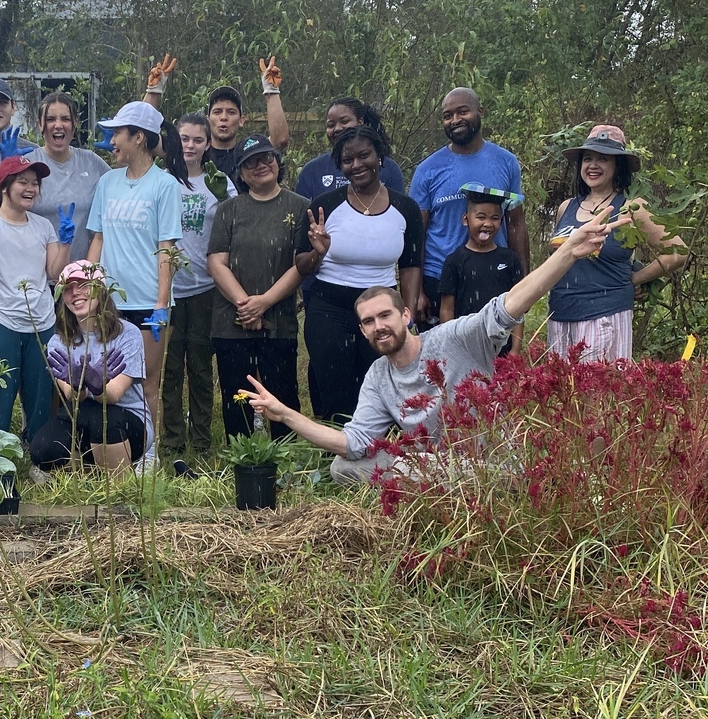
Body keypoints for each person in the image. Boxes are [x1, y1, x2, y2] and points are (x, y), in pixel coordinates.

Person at [240, 212, 626, 484]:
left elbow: (511, 304)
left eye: (385, 316)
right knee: (344, 468)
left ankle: (438, 492)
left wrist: (567, 252)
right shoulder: (380, 376)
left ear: (406, 315)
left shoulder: (454, 337)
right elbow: (354, 442)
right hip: (429, 466)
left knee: (423, 472)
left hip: (488, 464)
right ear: (362, 332)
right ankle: (427, 489)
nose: (380, 326)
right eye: (370, 322)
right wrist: (284, 413)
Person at [296, 125, 423, 425]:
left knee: (382, 387)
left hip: (381, 311)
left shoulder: (405, 208)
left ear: (380, 157)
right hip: (329, 311)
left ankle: (378, 462)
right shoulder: (324, 206)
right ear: (340, 165)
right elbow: (301, 265)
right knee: (334, 392)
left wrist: (409, 313)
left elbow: (411, 264)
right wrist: (319, 251)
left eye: (364, 156)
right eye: (347, 160)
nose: (357, 165)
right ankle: (334, 461)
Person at [547, 125, 687, 361]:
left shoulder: (631, 208)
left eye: (603, 159)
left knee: (598, 394)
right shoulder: (566, 207)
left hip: (605, 314)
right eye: (588, 158)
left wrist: (635, 279)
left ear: (617, 166)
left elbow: (677, 252)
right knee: (561, 394)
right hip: (560, 313)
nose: (593, 165)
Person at [205, 135, 308, 440]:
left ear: (278, 162)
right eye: (250, 162)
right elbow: (216, 263)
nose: (260, 165)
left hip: (279, 321)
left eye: (266, 158)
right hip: (231, 322)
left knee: (283, 395)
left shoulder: (300, 206)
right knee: (236, 398)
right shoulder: (229, 209)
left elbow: (299, 265)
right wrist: (246, 305)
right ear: (240, 171)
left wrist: (263, 303)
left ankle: (287, 460)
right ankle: (242, 460)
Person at [86, 101, 183, 421]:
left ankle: (148, 455)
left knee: (147, 381)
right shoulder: (107, 183)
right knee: (106, 377)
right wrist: (88, 288)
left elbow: (166, 246)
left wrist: (161, 303)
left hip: (147, 302)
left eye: (117, 134)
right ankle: (112, 451)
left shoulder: (164, 185)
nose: (111, 141)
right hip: (109, 300)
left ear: (138, 137)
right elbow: (98, 239)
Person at [0, 155, 73, 437]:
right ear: (4, 186)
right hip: (1, 319)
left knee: (40, 397)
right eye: (22, 182)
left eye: (35, 183)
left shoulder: (42, 225)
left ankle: (38, 456)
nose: (30, 188)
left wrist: (65, 243)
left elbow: (53, 272)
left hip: (42, 322)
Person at [409, 88, 529, 329]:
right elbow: (416, 234)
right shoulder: (428, 170)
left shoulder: (505, 162)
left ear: (479, 112)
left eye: (463, 111)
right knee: (442, 359)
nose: (455, 120)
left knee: (494, 357)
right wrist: (417, 291)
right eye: (447, 115)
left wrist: (525, 283)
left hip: (494, 275)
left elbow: (515, 223)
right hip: (440, 279)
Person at [30, 260, 157, 475]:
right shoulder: (58, 342)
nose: (75, 293)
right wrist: (79, 386)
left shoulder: (128, 333)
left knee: (101, 419)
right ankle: (93, 471)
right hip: (81, 415)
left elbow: (114, 395)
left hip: (126, 420)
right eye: (68, 289)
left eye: (83, 285)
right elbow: (72, 395)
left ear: (100, 290)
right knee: (42, 448)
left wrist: (98, 386)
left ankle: (121, 481)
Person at [161, 113, 236, 459]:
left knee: (202, 368)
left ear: (208, 144)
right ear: (175, 141)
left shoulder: (219, 182)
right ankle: (173, 440)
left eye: (197, 140)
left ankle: (202, 440)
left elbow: (234, 227)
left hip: (207, 287)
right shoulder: (162, 181)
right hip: (169, 288)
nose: (190, 146)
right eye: (184, 139)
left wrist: (225, 201)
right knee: (171, 367)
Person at [140, 55, 291, 185]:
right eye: (217, 112)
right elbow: (141, 138)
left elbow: (280, 141)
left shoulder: (247, 154)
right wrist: (154, 91)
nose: (223, 117)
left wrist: (271, 91)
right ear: (208, 119)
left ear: (241, 120)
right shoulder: (186, 149)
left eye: (231, 112)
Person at [437, 185, 525, 356]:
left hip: (502, 348)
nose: (488, 223)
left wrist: (515, 350)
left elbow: (518, 307)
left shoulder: (510, 259)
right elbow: (447, 309)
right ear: (465, 219)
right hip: (466, 348)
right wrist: (450, 345)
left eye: (495, 218)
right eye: (481, 217)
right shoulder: (454, 261)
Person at [27, 92, 112, 262]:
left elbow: (128, 186)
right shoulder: (29, 165)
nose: (58, 125)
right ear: (39, 124)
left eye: (65, 119)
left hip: (83, 276)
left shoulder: (92, 163)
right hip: (38, 278)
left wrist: (122, 150)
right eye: (50, 119)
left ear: (75, 124)